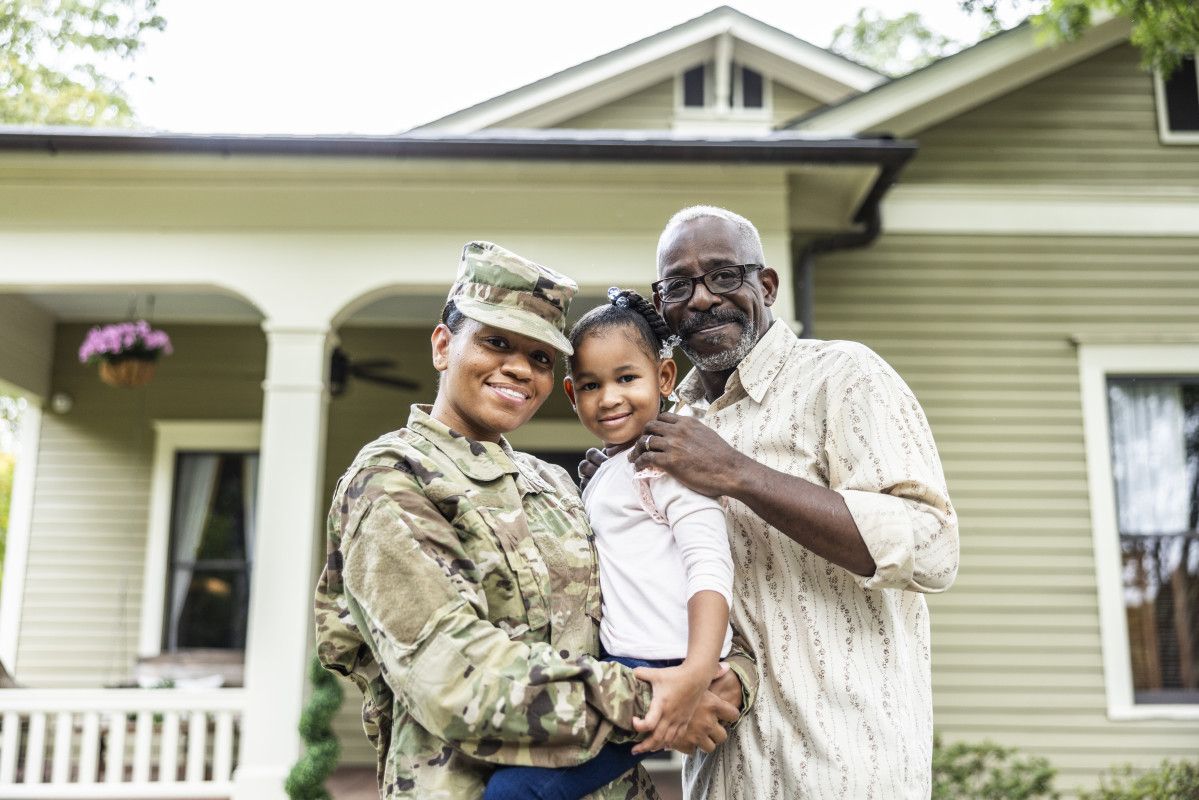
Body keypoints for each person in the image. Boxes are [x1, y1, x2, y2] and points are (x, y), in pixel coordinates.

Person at [313, 241, 756, 800]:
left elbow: (650, 604)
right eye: (496, 342)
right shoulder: (395, 478)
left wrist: (731, 678)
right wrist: (667, 703)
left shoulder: (557, 485)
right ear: (443, 346)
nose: (519, 368)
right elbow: (454, 678)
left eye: (541, 357)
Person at [583, 206, 959, 799]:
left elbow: (933, 547)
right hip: (723, 776)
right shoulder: (664, 426)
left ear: (766, 285)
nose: (702, 298)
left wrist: (737, 473)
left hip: (845, 769)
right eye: (679, 285)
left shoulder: (843, 377)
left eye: (724, 276)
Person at [485, 288, 737, 800]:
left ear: (664, 378)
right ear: (572, 397)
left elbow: (709, 564)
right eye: (592, 385)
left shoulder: (671, 464)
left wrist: (696, 672)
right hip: (619, 665)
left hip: (661, 668)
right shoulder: (614, 468)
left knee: (516, 792)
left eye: (627, 378)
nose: (611, 397)